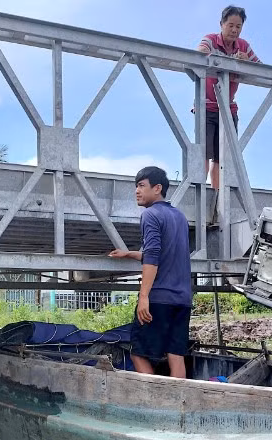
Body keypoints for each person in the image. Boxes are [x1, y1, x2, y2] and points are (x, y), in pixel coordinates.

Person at [109, 166, 192, 378]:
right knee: (176, 355)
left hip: (159, 299)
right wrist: (129, 254)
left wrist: (143, 296)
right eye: (136, 186)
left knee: (138, 353)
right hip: (182, 300)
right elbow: (163, 254)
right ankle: (178, 404)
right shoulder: (179, 217)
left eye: (141, 186)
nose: (137, 191)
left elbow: (153, 257)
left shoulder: (150, 215)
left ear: (157, 188)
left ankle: (155, 402)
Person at [197, 5, 261, 193]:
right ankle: (200, 191)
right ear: (222, 24)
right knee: (203, 153)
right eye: (230, 25)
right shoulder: (211, 39)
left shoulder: (243, 46)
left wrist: (246, 63)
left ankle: (218, 194)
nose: (234, 30)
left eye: (238, 26)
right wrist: (221, 59)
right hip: (206, 105)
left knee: (221, 157)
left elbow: (262, 69)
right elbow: (198, 54)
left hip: (228, 109)